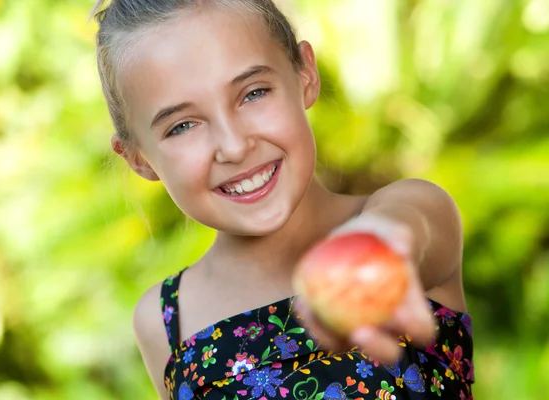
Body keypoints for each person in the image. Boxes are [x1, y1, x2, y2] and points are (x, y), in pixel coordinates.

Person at [91, 0, 474, 398]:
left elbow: (405, 229)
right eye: (182, 125)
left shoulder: (412, 208)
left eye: (253, 93)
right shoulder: (163, 320)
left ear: (305, 73)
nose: (234, 146)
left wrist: (372, 250)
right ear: (138, 158)